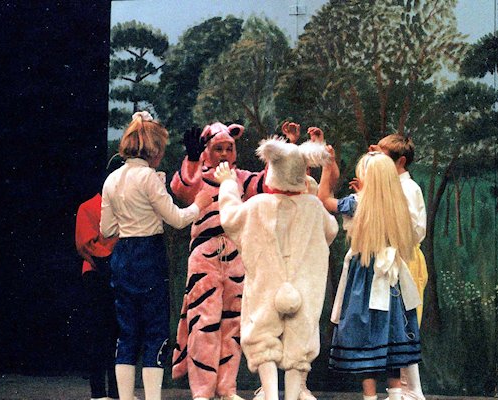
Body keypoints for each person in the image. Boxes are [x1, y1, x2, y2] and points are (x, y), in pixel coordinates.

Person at [170, 121, 300, 400]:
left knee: (233, 324)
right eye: (218, 148)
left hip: (237, 255)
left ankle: (226, 388)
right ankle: (202, 391)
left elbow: (269, 183)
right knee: (204, 322)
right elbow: (181, 189)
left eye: (229, 148)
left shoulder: (240, 178)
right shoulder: (199, 174)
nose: (224, 153)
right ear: (208, 150)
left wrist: (284, 149)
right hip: (205, 255)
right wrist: (192, 159)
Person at [214, 136, 339, 400]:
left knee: (262, 336)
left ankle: (271, 395)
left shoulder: (258, 205)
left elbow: (231, 218)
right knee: (300, 342)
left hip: (266, 283)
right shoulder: (314, 208)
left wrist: (228, 184)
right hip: (303, 284)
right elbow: (331, 230)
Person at [100, 111, 212, 400]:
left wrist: (130, 218)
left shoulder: (112, 179)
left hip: (123, 255)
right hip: (148, 255)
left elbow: (107, 229)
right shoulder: (148, 178)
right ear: (154, 148)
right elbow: (177, 219)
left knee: (127, 333)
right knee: (155, 331)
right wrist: (199, 204)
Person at [318, 150, 422, 400]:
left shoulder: (357, 203)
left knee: (366, 336)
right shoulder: (398, 205)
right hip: (391, 278)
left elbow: (323, 199)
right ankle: (395, 394)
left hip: (364, 277)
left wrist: (328, 166)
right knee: (391, 334)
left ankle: (370, 396)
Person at [370, 134, 427, 400]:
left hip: (406, 259)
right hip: (394, 259)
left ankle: (412, 389)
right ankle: (405, 388)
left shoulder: (408, 188)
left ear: (400, 161)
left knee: (406, 323)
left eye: (383, 157)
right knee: (397, 324)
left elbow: (414, 229)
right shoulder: (391, 186)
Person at [75, 155, 122, 400]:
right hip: (97, 275)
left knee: (118, 337)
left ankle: (116, 392)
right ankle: (98, 393)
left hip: (119, 276)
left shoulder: (125, 208)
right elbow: (86, 244)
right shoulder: (89, 206)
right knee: (99, 335)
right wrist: (112, 260)